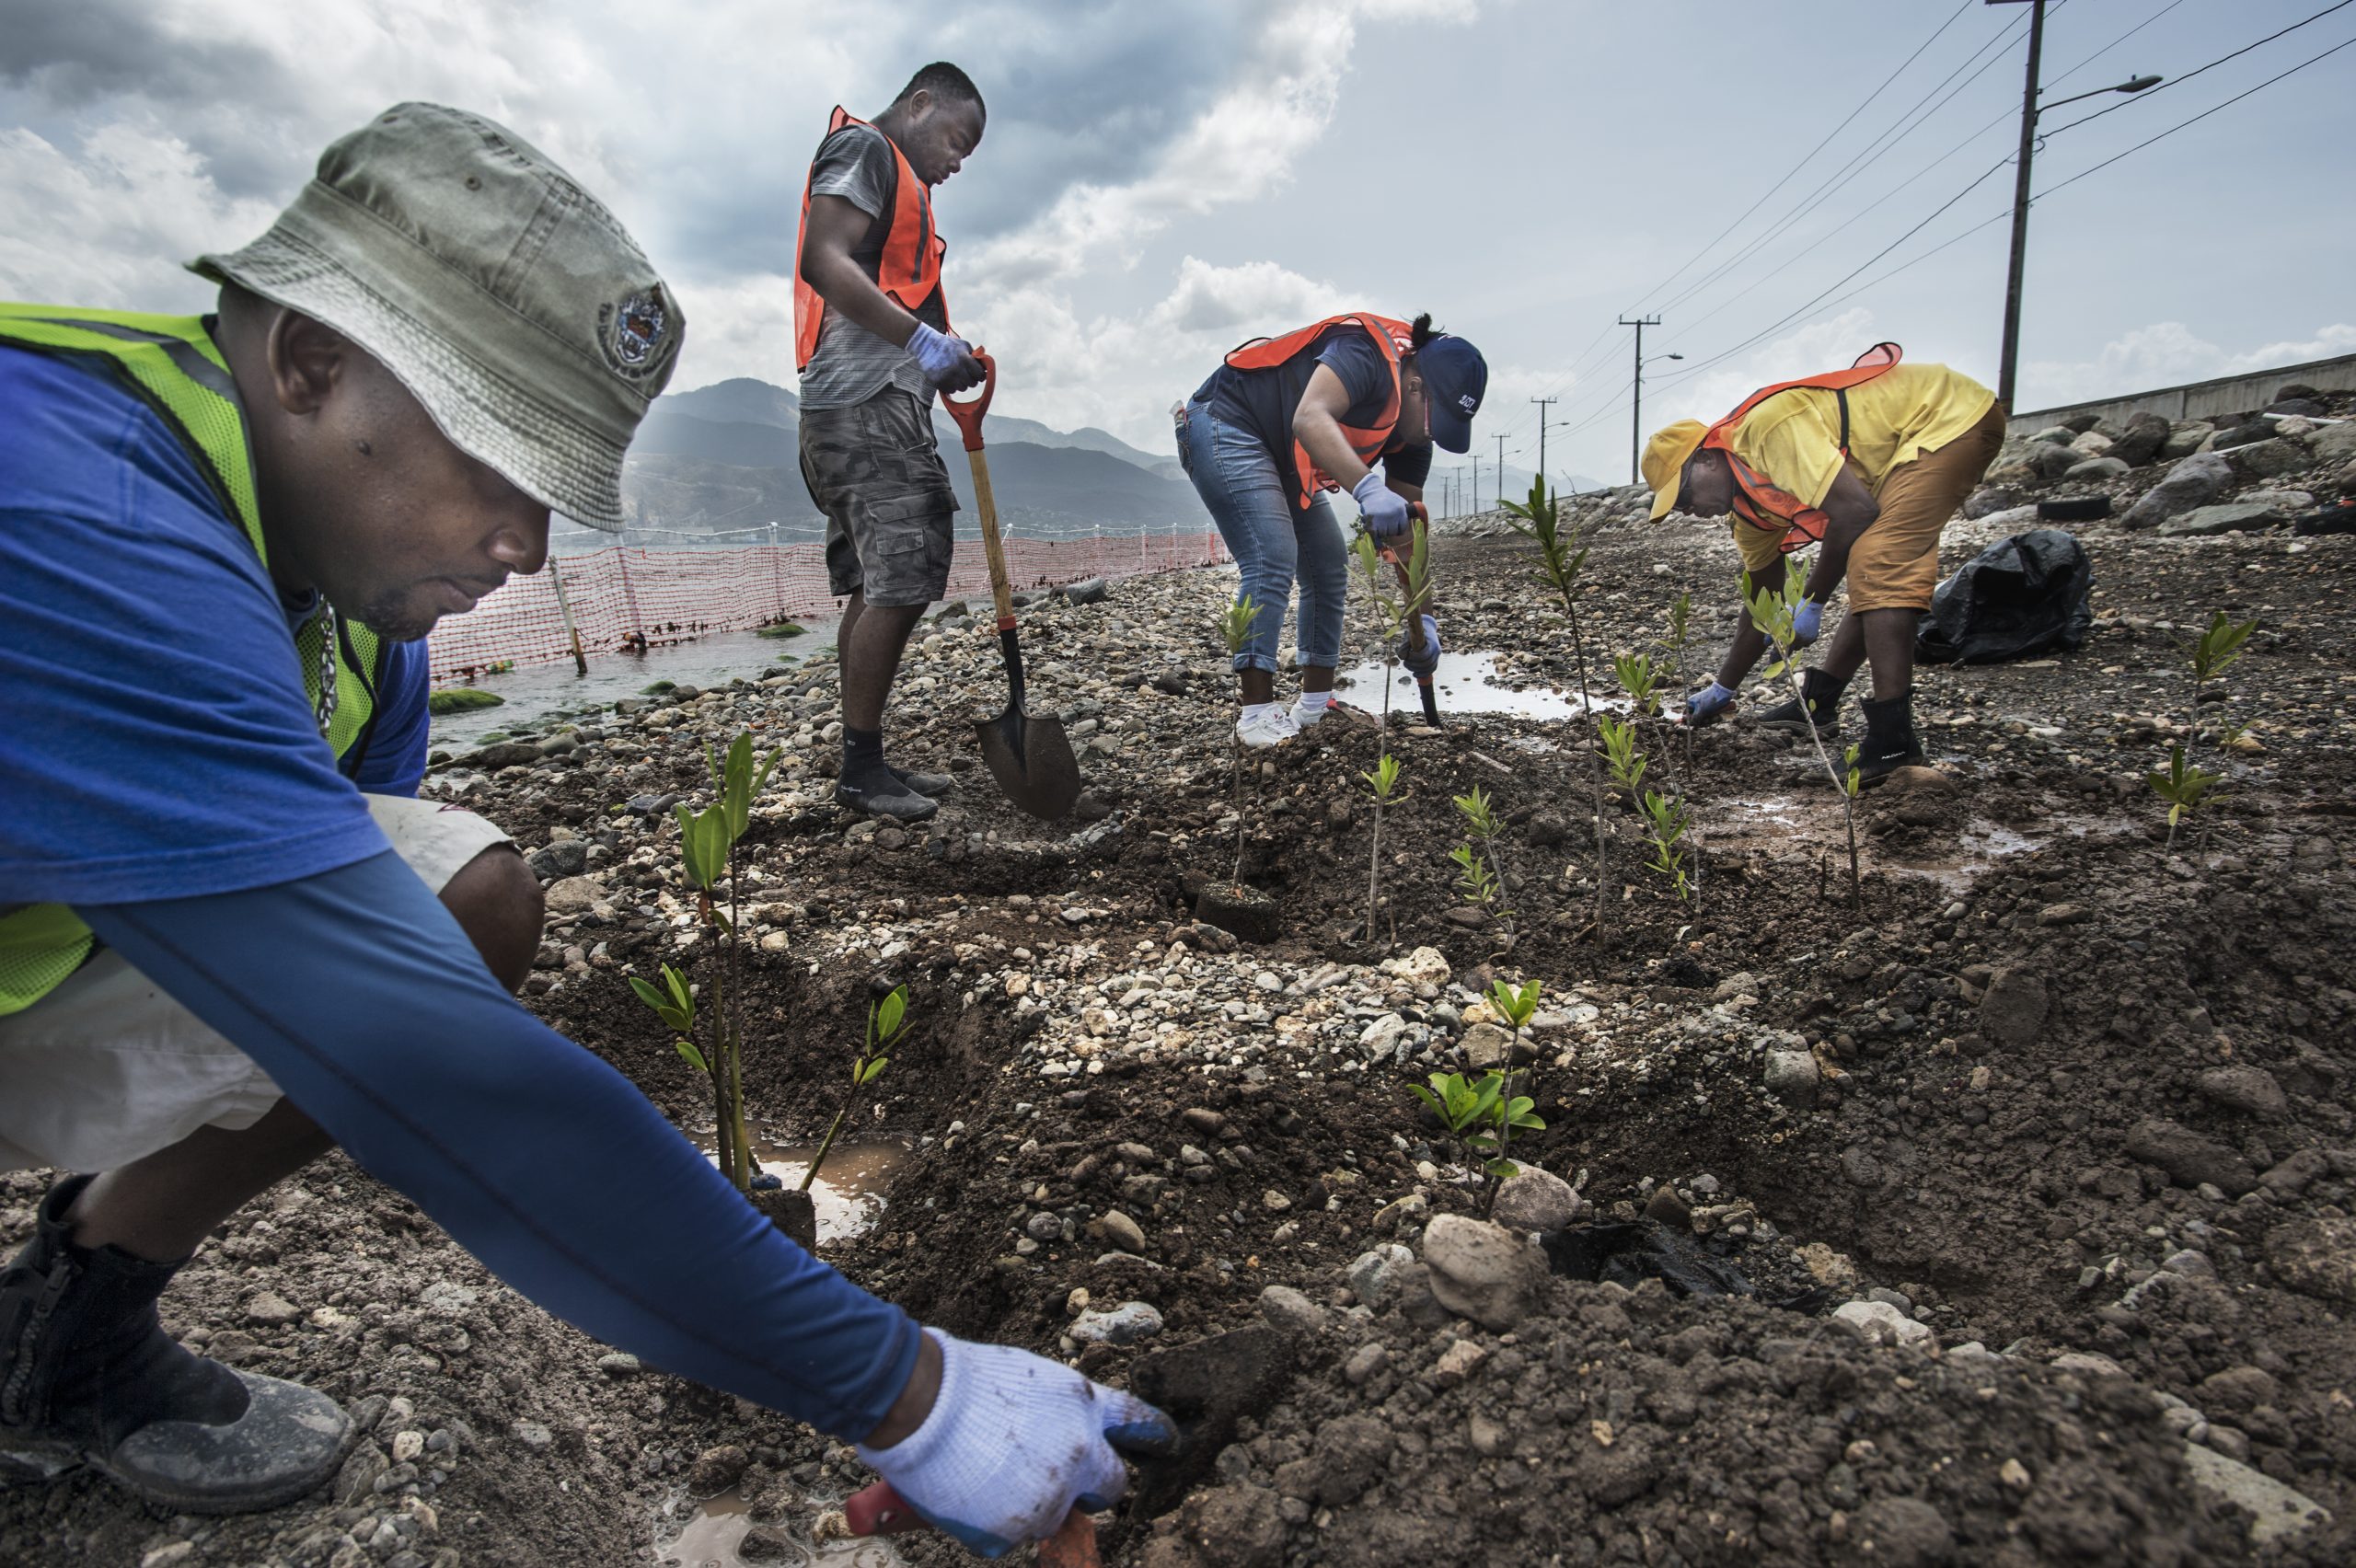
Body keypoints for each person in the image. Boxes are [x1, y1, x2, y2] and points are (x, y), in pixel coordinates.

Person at [0, 102, 1164, 1549]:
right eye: (498, 463)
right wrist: (910, 1393)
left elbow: (382, 998)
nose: (530, 547)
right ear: (310, 362)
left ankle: (67, 1322)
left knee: (458, 898)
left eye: (555, 494)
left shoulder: (356, 622)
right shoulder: (69, 503)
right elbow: (445, 1074)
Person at [1640, 346, 2004, 786]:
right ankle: (1820, 701)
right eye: (1676, 507)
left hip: (1948, 418)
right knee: (1872, 572)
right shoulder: (1749, 515)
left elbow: (1853, 512)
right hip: (1907, 447)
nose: (1686, 510)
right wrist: (1723, 689)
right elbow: (1761, 607)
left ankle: (1893, 743)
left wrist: (1812, 604)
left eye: (1682, 496)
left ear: (1705, 458)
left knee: (1878, 560)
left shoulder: (1765, 431)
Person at [793, 63, 989, 822]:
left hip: (861, 409)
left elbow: (893, 293)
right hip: (863, 411)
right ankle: (860, 771)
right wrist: (921, 341)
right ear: (920, 103)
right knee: (906, 576)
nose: (958, 161)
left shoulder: (903, 188)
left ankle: (863, 760)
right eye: (955, 138)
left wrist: (944, 354)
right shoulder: (867, 151)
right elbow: (824, 257)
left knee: (876, 584)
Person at [1177, 312, 1488, 746]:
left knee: (1327, 564)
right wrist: (1367, 488)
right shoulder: (1365, 352)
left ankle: (1315, 704)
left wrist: (1427, 620)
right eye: (1437, 424)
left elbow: (1407, 537)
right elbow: (1309, 418)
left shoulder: (1412, 443)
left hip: (1282, 454)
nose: (1431, 438)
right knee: (1271, 555)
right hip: (1227, 422)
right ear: (1417, 388)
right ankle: (1256, 715)